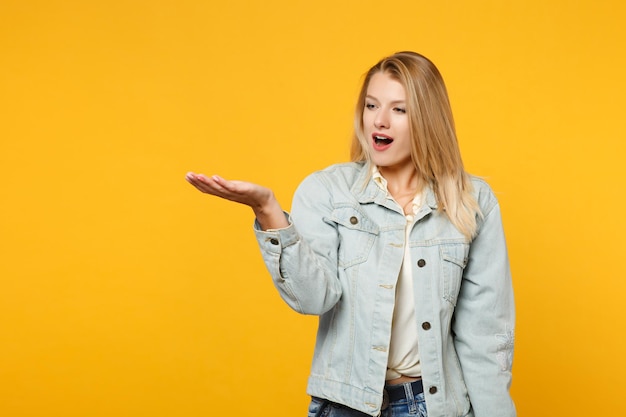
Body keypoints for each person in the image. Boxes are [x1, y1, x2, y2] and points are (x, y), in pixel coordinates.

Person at [186, 51, 516, 417]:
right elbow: (314, 299)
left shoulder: (471, 201)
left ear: (428, 120)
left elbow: (486, 336)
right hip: (347, 406)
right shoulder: (328, 191)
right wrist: (268, 211)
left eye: (399, 110)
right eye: (371, 105)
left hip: (435, 405)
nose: (379, 120)